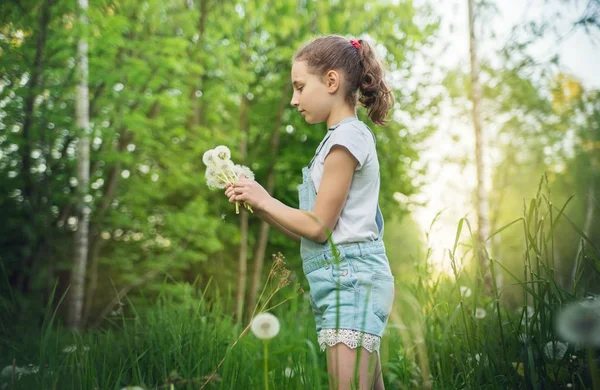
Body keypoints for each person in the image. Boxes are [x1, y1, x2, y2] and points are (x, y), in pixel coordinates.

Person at [225, 35, 395, 390]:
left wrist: (265, 198)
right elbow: (313, 232)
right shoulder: (334, 142)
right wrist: (260, 205)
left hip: (351, 280)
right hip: (341, 279)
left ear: (331, 82)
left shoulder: (347, 139)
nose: (294, 99)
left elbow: (318, 228)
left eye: (300, 87)